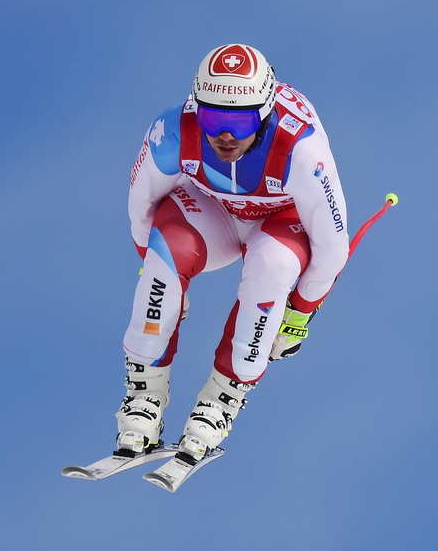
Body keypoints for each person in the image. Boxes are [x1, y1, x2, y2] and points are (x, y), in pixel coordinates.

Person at [116, 44, 349, 464]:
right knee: (163, 257)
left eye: (240, 121)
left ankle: (222, 398)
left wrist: (299, 315)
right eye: (213, 117)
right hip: (214, 209)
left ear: (264, 110)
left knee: (272, 268)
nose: (225, 135)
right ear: (195, 106)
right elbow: (141, 210)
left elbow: (333, 246)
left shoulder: (301, 150)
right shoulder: (174, 129)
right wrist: (163, 280)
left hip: (279, 217)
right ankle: (143, 394)